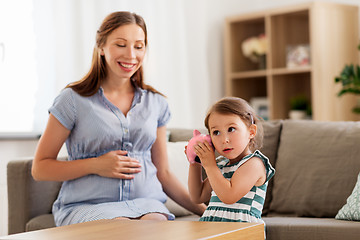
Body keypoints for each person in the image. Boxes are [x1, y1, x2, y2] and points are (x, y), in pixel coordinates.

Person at [32, 11, 206, 226]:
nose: (131, 55)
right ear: (101, 47)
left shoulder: (156, 103)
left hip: (146, 204)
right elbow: (40, 168)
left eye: (139, 46)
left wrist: (207, 212)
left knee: (155, 226)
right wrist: (96, 165)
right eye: (121, 44)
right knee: (121, 228)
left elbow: (164, 173)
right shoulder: (72, 100)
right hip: (87, 205)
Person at [186, 97, 275, 223]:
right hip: (214, 229)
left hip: (242, 231)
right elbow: (197, 196)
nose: (224, 140)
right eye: (216, 132)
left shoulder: (255, 164)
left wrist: (210, 166)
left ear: (251, 131)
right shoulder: (221, 165)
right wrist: (195, 162)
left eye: (231, 129)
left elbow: (229, 196)